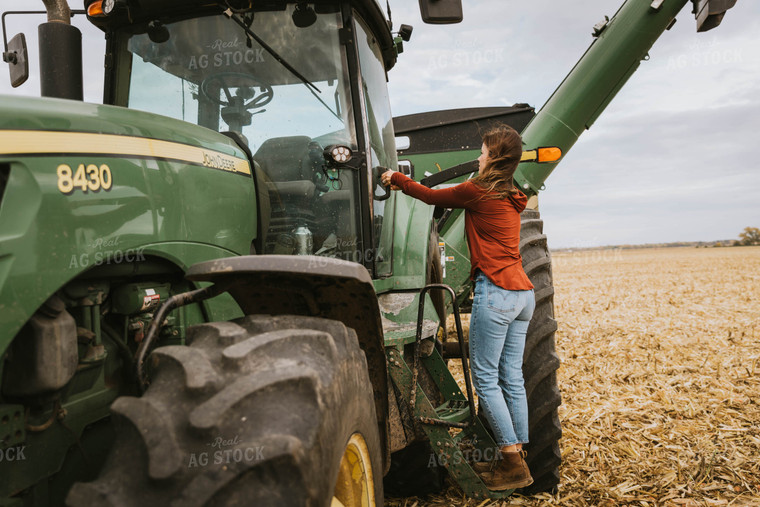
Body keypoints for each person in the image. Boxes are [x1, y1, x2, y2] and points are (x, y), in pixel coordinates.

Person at [381, 124, 535, 491]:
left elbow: (431, 197)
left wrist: (395, 179)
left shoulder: (478, 191)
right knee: (512, 377)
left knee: (485, 377)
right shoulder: (513, 194)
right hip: (523, 294)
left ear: (494, 157)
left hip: (496, 291)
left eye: (483, 152)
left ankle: (511, 462)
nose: (479, 157)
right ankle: (519, 457)